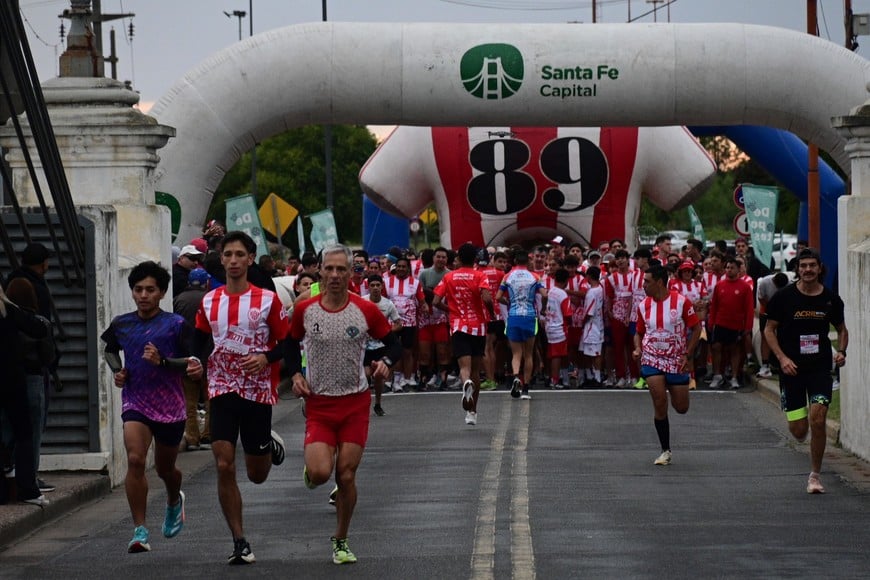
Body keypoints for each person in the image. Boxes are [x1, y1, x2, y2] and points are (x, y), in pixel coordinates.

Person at [288, 244, 400, 565]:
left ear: (351, 273)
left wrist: (386, 363)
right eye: (329, 269)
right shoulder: (305, 309)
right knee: (321, 473)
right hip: (320, 405)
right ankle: (314, 469)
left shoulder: (365, 310)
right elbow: (288, 343)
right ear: (320, 272)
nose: (335, 275)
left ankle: (341, 539)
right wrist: (295, 374)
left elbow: (393, 342)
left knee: (346, 476)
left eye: (341, 269)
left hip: (354, 404)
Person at [190, 231, 290, 565]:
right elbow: (198, 339)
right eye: (228, 254)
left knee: (257, 475)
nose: (233, 260)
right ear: (221, 259)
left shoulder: (267, 300)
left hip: (257, 391)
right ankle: (239, 540)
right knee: (223, 463)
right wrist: (194, 361)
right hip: (221, 388)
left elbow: (288, 343)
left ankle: (268, 445)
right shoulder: (210, 300)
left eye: (239, 254)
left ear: (250, 259)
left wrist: (265, 358)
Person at [101, 261, 199, 553]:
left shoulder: (176, 325)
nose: (143, 295)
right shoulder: (122, 324)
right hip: (136, 401)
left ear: (162, 293)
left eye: (150, 290)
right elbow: (109, 349)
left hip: (169, 406)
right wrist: (118, 370)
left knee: (166, 469)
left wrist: (163, 361)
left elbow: (192, 362)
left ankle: (174, 499)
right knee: (135, 459)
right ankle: (139, 531)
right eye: (138, 289)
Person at [764, 248, 848, 494]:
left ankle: (815, 476)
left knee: (818, 419)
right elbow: (769, 329)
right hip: (792, 370)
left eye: (812, 265)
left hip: (820, 367)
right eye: (803, 266)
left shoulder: (831, 299)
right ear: (797, 269)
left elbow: (842, 329)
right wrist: (782, 358)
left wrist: (842, 352)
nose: (808, 270)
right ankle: (800, 428)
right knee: (799, 430)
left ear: (819, 268)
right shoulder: (783, 297)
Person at [633, 265, 702, 466]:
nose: (643, 285)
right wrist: (637, 348)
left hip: (676, 359)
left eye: (647, 281)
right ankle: (665, 450)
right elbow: (638, 332)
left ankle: (673, 387)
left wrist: (688, 354)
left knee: (681, 407)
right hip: (652, 358)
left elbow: (696, 328)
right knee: (659, 400)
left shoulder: (681, 302)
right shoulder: (643, 305)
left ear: (659, 282)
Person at [4, 242, 57, 494]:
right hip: (32, 370)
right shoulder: (35, 291)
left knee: (10, 426)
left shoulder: (10, 283)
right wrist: (51, 360)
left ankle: (11, 472)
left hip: (10, 372)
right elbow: (42, 336)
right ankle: (29, 478)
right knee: (33, 425)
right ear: (43, 263)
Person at [432, 243, 494, 425]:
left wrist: (450, 310)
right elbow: (487, 298)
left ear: (458, 258)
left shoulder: (449, 276)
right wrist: (491, 313)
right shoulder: (480, 275)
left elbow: (435, 301)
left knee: (464, 368)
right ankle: (472, 412)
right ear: (475, 259)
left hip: (459, 326)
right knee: (476, 370)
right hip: (478, 327)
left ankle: (465, 382)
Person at [0, 283, 50, 507]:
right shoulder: (8, 310)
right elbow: (38, 329)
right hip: (12, 380)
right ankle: (27, 488)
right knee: (24, 434)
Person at [496, 247, 547, 400]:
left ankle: (516, 377)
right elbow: (545, 295)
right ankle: (525, 388)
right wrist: (543, 309)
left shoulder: (507, 276)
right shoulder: (535, 276)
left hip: (513, 316)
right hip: (530, 316)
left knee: (516, 353)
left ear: (515, 261)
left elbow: (498, 297)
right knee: (528, 354)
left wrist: (507, 302)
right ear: (528, 261)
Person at [172, 267, 211, 451]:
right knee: (210, 399)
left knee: (189, 401)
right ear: (206, 282)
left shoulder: (178, 300)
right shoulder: (210, 299)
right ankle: (208, 436)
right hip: (209, 356)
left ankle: (192, 437)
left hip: (185, 358)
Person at [707, 257, 755, 389]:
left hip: (736, 324)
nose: (729, 270)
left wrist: (748, 327)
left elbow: (749, 309)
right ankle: (717, 375)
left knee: (734, 349)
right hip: (720, 323)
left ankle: (734, 377)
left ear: (739, 270)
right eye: (727, 267)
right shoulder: (719, 285)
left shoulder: (745, 287)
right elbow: (714, 306)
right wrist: (711, 322)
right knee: (716, 347)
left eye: (732, 268)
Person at [364, 275, 402, 416]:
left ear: (382, 286)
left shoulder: (388, 304)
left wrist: (384, 332)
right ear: (368, 287)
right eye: (372, 285)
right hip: (365, 346)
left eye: (377, 285)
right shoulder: (362, 302)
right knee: (366, 375)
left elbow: (398, 324)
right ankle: (363, 404)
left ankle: (378, 404)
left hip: (381, 345)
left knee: (378, 376)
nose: (375, 288)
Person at [541, 269, 572, 389]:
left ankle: (557, 378)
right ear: (566, 281)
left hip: (549, 326)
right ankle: (555, 380)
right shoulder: (563, 294)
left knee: (554, 354)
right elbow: (568, 314)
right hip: (559, 328)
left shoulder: (551, 291)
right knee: (557, 355)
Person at [755, 271, 790, 378]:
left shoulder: (788, 285)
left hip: (782, 309)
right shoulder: (764, 283)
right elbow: (761, 298)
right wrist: (771, 309)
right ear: (774, 281)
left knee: (785, 334)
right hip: (766, 307)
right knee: (765, 335)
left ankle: (785, 360)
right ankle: (765, 365)